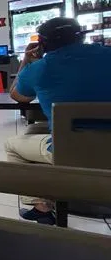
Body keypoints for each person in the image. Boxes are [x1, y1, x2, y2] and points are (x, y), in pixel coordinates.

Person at [6, 17, 111, 225]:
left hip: (70, 153)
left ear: (42, 44)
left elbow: (18, 95)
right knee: (33, 131)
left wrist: (26, 61)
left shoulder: (40, 68)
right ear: (80, 37)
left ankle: (41, 205)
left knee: (12, 146)